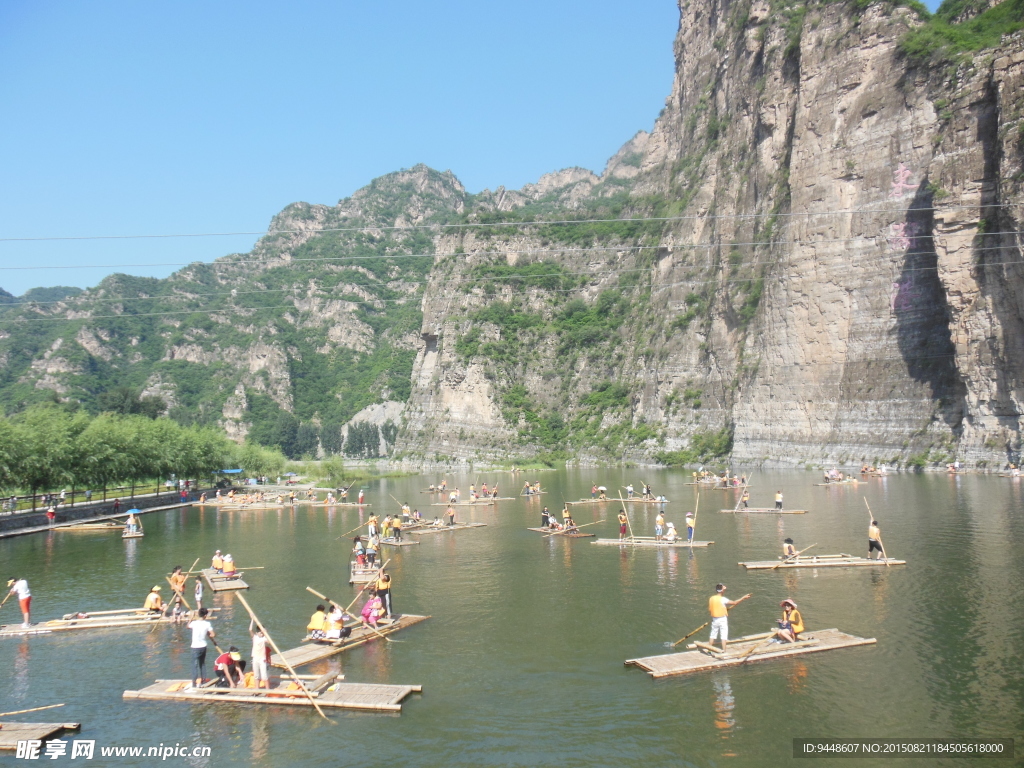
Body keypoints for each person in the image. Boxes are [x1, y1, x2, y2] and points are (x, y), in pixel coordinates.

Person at [708, 584, 752, 652]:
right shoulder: (723, 599)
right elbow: (734, 602)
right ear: (722, 590)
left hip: (714, 619)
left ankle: (709, 650)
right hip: (722, 619)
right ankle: (724, 651)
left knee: (713, 635)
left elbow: (710, 609)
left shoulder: (711, 598)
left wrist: (723, 609)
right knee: (723, 635)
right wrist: (743, 598)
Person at [187, 608, 216, 687]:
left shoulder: (194, 623)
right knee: (202, 664)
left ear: (198, 614)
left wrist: (190, 618)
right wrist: (208, 634)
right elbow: (213, 634)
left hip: (195, 647)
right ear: (205, 615)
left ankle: (194, 682)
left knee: (194, 665)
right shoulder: (207, 624)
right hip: (203, 646)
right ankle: (203, 680)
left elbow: (188, 626)